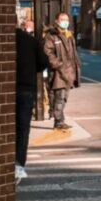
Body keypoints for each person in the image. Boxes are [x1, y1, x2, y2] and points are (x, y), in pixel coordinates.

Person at [15, 18, 49, 184]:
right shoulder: (30, 41)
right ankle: (19, 165)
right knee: (22, 130)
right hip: (26, 89)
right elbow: (43, 62)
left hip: (7, 90)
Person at [43, 11, 81, 130]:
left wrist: (76, 66)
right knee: (59, 97)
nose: (65, 22)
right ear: (56, 21)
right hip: (58, 73)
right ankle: (58, 121)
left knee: (63, 98)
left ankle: (59, 119)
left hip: (69, 72)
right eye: (62, 20)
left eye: (66, 20)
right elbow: (48, 53)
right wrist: (59, 65)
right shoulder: (52, 35)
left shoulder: (69, 35)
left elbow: (73, 54)